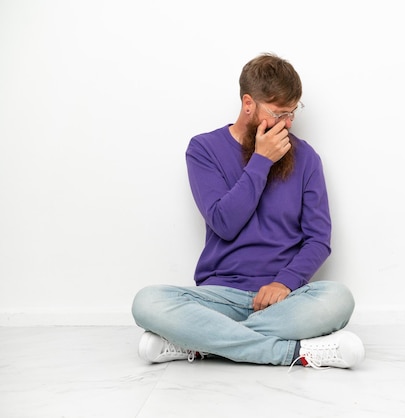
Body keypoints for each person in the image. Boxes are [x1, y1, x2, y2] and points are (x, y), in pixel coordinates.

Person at [131, 53, 365, 370]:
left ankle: (200, 343)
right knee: (148, 301)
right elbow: (224, 223)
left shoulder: (306, 158)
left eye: (293, 112)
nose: (289, 122)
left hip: (284, 300)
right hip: (219, 297)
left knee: (338, 299)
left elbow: (318, 239)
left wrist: (285, 283)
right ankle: (293, 353)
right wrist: (261, 161)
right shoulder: (204, 149)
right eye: (280, 113)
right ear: (248, 104)